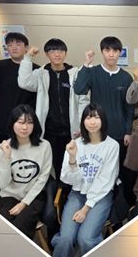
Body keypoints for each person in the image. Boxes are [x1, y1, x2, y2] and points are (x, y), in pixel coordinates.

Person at [51, 104, 120, 257]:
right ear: (83, 121)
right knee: (65, 239)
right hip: (77, 194)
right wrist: (72, 158)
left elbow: (105, 180)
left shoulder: (112, 146)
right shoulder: (75, 144)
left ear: (103, 120)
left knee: (86, 239)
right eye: (88, 117)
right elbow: (67, 179)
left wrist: (86, 209)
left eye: (97, 117)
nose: (92, 122)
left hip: (100, 196)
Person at [73, 36, 135, 203]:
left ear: (120, 53)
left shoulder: (126, 77)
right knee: (99, 169)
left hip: (119, 133)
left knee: (118, 171)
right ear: (102, 52)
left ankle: (118, 205)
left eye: (115, 50)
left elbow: (129, 107)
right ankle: (98, 201)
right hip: (97, 132)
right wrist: (86, 64)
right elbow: (78, 89)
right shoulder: (93, 72)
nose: (111, 54)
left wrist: (128, 131)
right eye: (107, 50)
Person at [17, 38, 88, 176]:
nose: (57, 54)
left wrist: (81, 124)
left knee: (74, 161)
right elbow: (24, 82)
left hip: (72, 129)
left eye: (61, 50)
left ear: (66, 53)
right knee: (55, 163)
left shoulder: (74, 73)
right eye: (52, 50)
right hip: (51, 130)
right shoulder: (41, 73)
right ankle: (58, 187)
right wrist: (27, 58)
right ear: (46, 54)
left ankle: (71, 187)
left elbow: (83, 101)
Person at [0, 104, 52, 239]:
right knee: (3, 227)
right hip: (8, 196)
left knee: (20, 228)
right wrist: (7, 158)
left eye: (29, 122)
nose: (25, 127)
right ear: (12, 123)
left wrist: (24, 203)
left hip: (34, 196)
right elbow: (1, 184)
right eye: (20, 122)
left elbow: (43, 178)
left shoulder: (44, 146)